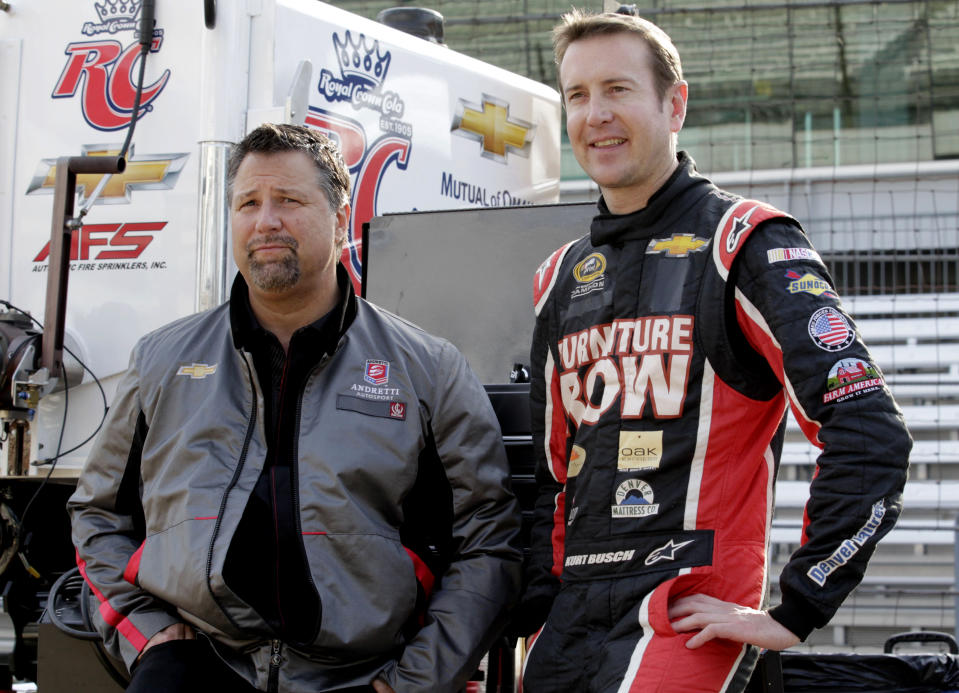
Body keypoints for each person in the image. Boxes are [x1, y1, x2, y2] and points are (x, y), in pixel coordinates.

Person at [518, 9, 911, 693]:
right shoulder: (557, 276)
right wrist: (533, 612)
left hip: (688, 620)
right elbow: (553, 478)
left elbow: (869, 430)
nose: (595, 114)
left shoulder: (747, 242)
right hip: (570, 629)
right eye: (576, 95)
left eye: (617, 89)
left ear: (675, 105)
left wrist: (797, 604)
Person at [68, 123, 523, 693]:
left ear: (338, 219)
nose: (266, 222)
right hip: (202, 662)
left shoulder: (427, 368)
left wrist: (415, 682)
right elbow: (96, 515)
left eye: (288, 200)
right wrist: (144, 632)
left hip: (367, 673)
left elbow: (489, 541)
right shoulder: (162, 360)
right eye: (249, 203)